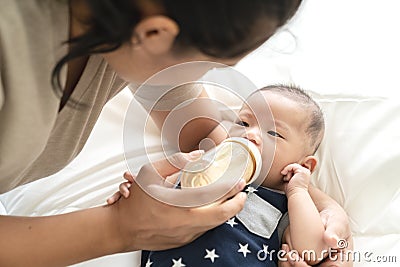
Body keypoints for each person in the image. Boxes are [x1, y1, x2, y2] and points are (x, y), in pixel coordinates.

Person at [0, 0, 351, 266]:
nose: (248, 136)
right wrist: (118, 227)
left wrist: (320, 204)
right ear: (154, 35)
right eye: (211, 63)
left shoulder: (123, 27)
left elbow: (207, 132)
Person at [115, 85, 353, 266]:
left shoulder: (289, 204)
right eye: (243, 122)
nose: (250, 134)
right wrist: (138, 191)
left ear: (304, 165)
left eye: (273, 133)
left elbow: (311, 249)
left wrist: (299, 190)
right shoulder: (199, 165)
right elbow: (153, 202)